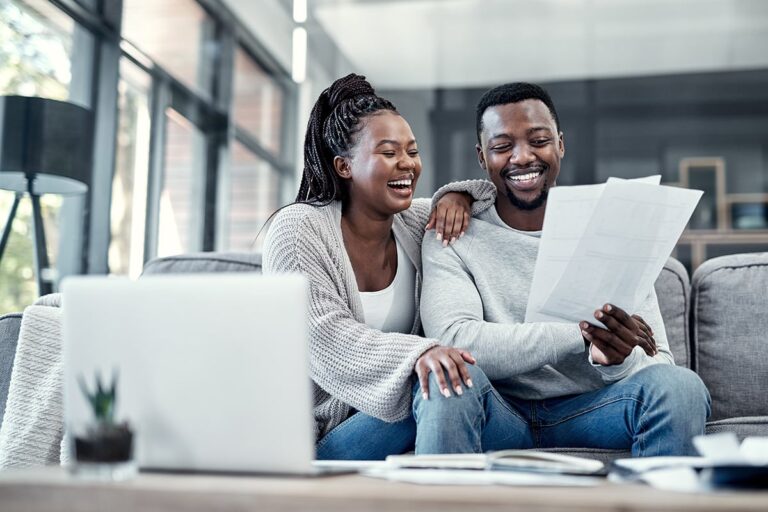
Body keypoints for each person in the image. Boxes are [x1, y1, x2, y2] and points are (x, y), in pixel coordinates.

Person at [417, 82, 711, 456]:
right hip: (499, 414)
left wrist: (613, 360)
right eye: (502, 146)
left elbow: (659, 362)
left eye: (538, 140)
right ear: (482, 157)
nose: (522, 158)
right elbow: (456, 341)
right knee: (451, 377)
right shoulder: (452, 232)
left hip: (594, 410)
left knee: (680, 387)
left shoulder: (613, 226)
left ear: (560, 144)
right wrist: (580, 335)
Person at [262, 74, 495, 460]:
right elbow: (325, 339)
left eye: (412, 151)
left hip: (404, 415)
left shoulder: (416, 223)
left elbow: (493, 201)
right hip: (325, 436)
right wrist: (419, 353)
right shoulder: (299, 228)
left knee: (452, 381)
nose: (407, 164)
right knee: (445, 379)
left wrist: (458, 196)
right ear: (344, 166)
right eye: (388, 153)